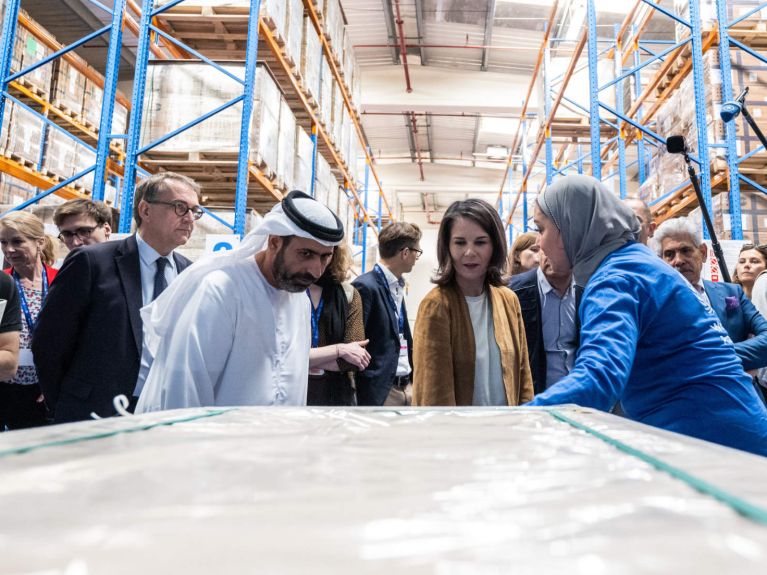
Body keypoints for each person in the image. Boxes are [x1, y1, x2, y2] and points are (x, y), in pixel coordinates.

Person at [527, 174, 767, 456]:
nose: (539, 245)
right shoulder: (637, 263)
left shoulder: (616, 279)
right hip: (733, 430)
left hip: (712, 443)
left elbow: (597, 378)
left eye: (541, 229)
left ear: (571, 224)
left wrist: (518, 422)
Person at [136, 190, 345, 412]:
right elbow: (186, 388)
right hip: (218, 441)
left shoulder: (299, 299)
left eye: (325, 257)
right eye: (306, 254)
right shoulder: (223, 289)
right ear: (274, 242)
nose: (316, 270)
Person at [32, 172, 199, 423]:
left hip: (162, 412)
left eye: (195, 211)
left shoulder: (189, 273)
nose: (189, 219)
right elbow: (49, 342)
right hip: (93, 413)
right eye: (180, 207)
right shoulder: (92, 262)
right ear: (145, 210)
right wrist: (63, 404)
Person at [413, 199, 534, 407]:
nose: (469, 252)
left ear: (494, 246)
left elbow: (523, 379)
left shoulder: (508, 300)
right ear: (448, 247)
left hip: (507, 431)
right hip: (460, 435)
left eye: (480, 242)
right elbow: (432, 395)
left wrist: (526, 422)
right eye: (460, 243)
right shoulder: (436, 305)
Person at [656, 217, 767, 373]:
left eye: (685, 250)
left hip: (739, 391)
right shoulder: (655, 304)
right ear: (661, 261)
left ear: (702, 253)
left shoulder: (732, 292)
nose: (678, 260)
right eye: (669, 254)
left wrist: (709, 355)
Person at [352, 222, 421, 406]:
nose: (416, 258)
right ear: (405, 253)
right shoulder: (365, 286)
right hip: (381, 391)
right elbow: (354, 344)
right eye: (417, 252)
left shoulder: (397, 286)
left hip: (405, 386)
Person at [0, 212, 58, 429]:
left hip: (40, 388)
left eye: (17, 241)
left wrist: (52, 382)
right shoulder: (3, 282)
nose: (9, 249)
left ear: (39, 242)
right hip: (4, 381)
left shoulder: (59, 281)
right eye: (3, 242)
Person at [510, 248, 582, 395]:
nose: (545, 246)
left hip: (578, 402)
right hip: (532, 403)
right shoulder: (513, 292)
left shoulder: (587, 293)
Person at [306, 241, 370, 406]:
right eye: (308, 253)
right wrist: (339, 350)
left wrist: (304, 359)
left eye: (326, 254)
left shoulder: (349, 294)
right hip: (291, 393)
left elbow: (354, 359)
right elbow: (279, 355)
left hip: (336, 396)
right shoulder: (287, 291)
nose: (317, 261)